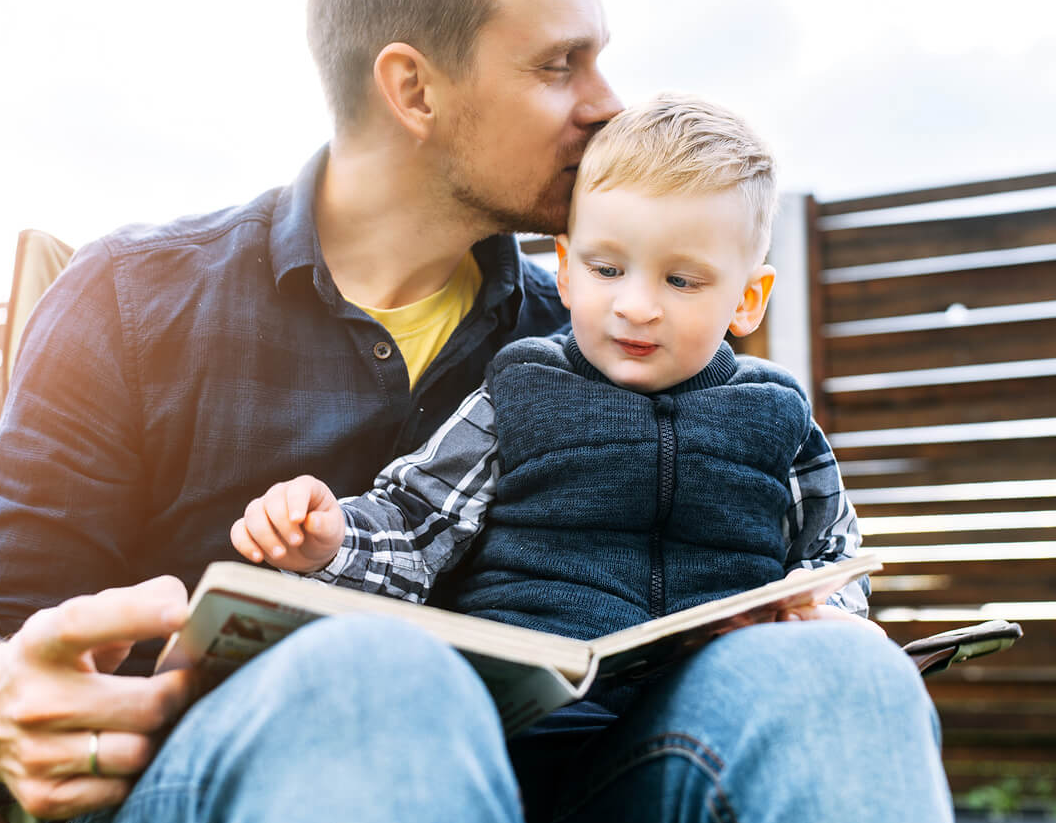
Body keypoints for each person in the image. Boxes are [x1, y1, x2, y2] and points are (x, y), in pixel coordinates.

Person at [0, 0, 951, 823]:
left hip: (574, 783)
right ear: (413, 89)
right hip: (201, 783)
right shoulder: (134, 298)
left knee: (843, 677)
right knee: (377, 673)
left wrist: (808, 619)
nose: (607, 104)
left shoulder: (602, 348)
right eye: (560, 64)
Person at [231, 95, 874, 646]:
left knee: (847, 665)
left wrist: (826, 611)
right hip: (543, 680)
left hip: (711, 693)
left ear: (748, 299)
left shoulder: (776, 413)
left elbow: (833, 552)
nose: (636, 306)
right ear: (565, 269)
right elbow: (416, 521)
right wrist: (331, 542)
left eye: (681, 280)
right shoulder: (522, 388)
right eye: (606, 269)